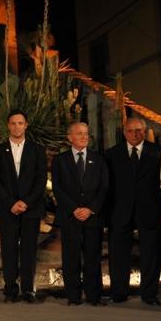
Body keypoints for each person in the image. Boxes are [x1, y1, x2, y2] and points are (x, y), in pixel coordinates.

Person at [105, 117, 161, 306]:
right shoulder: (111, 154)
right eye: (131, 130)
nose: (135, 134)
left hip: (150, 210)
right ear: (124, 133)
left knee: (151, 254)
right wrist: (106, 215)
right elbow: (107, 187)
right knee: (118, 254)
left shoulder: (159, 152)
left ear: (145, 131)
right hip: (119, 212)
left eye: (139, 130)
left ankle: (149, 294)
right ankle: (119, 292)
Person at [0, 110, 47, 303]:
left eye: (20, 123)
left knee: (29, 250)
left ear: (26, 125)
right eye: (13, 123)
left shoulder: (37, 149)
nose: (17, 127)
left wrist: (26, 202)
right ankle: (10, 290)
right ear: (8, 126)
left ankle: (28, 290)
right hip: (8, 209)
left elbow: (40, 180)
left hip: (31, 208)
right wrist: (11, 203)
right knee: (9, 250)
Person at [52, 122, 109, 306]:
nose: (84, 137)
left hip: (92, 217)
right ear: (70, 137)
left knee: (93, 257)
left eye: (86, 133)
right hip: (70, 217)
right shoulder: (60, 160)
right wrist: (74, 209)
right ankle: (73, 296)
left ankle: (93, 296)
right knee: (71, 257)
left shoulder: (98, 159)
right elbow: (57, 188)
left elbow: (104, 187)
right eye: (79, 133)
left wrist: (90, 209)